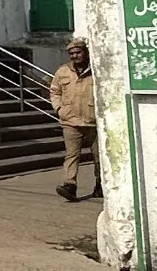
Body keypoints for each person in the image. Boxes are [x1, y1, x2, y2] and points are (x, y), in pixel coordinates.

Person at [50, 38, 102, 201]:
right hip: (70, 121)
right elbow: (55, 91)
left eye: (78, 52)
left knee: (99, 157)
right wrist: (59, 109)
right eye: (71, 54)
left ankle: (101, 184)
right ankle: (69, 185)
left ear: (85, 53)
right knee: (71, 155)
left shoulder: (96, 70)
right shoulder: (63, 71)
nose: (75, 56)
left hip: (93, 121)